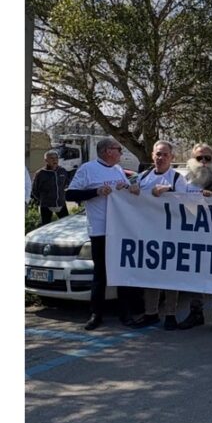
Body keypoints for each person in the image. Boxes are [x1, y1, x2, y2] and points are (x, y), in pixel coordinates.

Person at [64, 137, 132, 331]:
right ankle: (96, 314)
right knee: (100, 273)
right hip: (100, 229)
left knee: (122, 271)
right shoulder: (88, 169)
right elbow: (70, 194)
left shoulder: (118, 170)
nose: (121, 153)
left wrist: (128, 188)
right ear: (107, 151)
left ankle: (125, 313)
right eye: (118, 149)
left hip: (120, 229)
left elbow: (128, 193)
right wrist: (96, 191)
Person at [126, 140, 189, 331]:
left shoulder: (177, 179)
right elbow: (131, 198)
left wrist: (169, 191)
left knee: (170, 276)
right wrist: (130, 190)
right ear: (152, 155)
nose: (161, 158)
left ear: (172, 157)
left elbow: (186, 203)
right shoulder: (143, 177)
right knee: (151, 274)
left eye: (165, 154)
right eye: (158, 154)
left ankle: (170, 314)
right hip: (148, 234)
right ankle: (151, 313)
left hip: (171, 235)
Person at [180, 142, 212, 332]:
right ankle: (196, 313)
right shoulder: (184, 181)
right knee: (194, 276)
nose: (203, 161)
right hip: (192, 236)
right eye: (199, 158)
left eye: (207, 158)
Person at [30, 150, 71, 226]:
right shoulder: (40, 173)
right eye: (52, 158)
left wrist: (62, 195)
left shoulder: (62, 171)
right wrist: (43, 199)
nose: (55, 160)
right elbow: (34, 190)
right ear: (46, 160)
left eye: (56, 158)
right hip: (46, 205)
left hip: (61, 204)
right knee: (45, 226)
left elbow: (66, 184)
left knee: (67, 224)